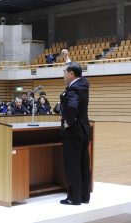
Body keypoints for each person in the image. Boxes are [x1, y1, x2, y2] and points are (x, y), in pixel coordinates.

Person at [60, 62, 91, 205]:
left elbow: (72, 107)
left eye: (65, 72)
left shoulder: (73, 90)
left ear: (71, 74)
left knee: (73, 165)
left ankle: (73, 198)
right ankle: (84, 196)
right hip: (84, 130)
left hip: (73, 132)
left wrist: (68, 122)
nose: (63, 75)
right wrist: (67, 58)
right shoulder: (84, 83)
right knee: (83, 164)